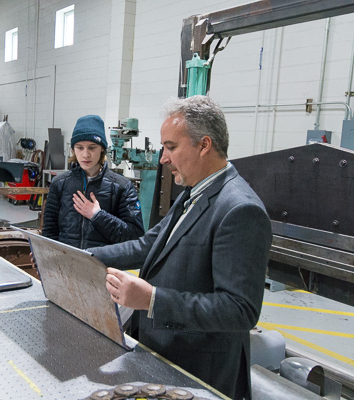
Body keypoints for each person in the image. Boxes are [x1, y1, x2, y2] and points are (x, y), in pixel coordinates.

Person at [90, 96, 272, 399]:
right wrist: (84, 258)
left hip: (200, 370)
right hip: (165, 354)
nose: (163, 158)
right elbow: (149, 245)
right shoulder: (194, 192)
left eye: (171, 147)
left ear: (204, 145)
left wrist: (152, 299)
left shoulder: (240, 209)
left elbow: (240, 310)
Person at [42, 114, 144, 249]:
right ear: (72, 149)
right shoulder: (59, 183)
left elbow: (135, 235)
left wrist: (98, 216)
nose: (85, 155)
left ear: (102, 148)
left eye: (92, 147)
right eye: (80, 147)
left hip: (102, 265)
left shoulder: (122, 187)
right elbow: (50, 231)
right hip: (67, 262)